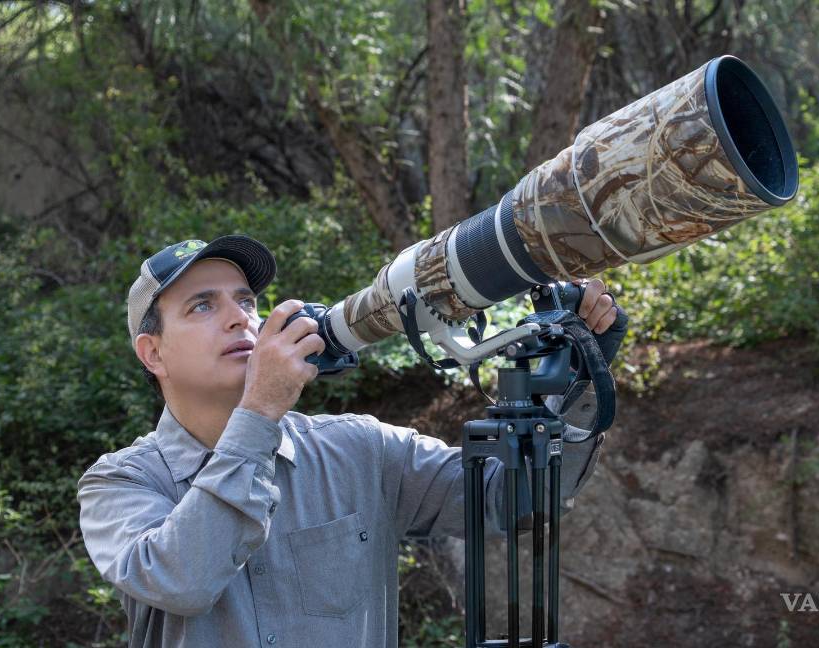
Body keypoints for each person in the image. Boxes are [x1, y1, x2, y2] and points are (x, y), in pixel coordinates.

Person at [77, 235, 624, 648]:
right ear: (153, 353)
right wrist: (261, 409)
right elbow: (183, 579)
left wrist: (575, 381)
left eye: (245, 301)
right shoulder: (119, 483)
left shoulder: (359, 449)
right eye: (202, 306)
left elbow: (514, 501)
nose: (238, 320)